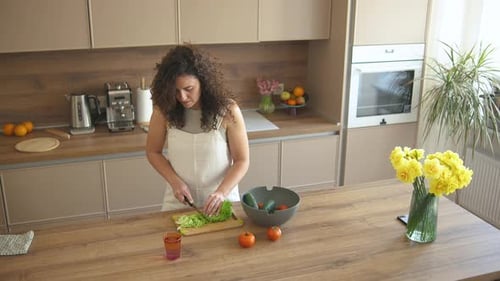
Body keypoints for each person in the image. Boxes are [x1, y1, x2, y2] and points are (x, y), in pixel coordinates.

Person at [146, 44, 249, 216]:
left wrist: (221, 193)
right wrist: (175, 182)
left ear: (203, 82)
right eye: (176, 91)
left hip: (222, 201)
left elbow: (242, 161)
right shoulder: (163, 111)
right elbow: (153, 151)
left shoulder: (228, 111)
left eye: (189, 89)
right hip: (178, 201)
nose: (182, 97)